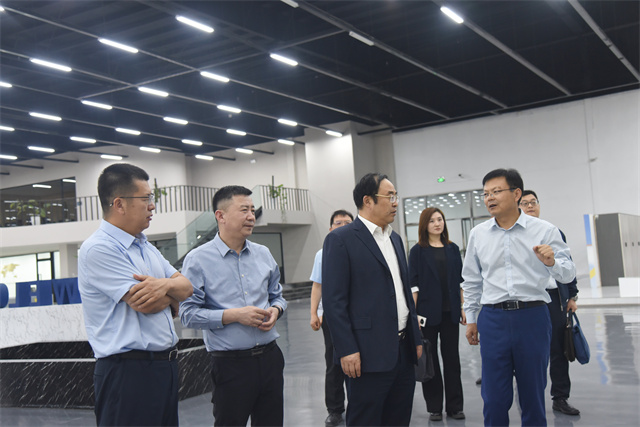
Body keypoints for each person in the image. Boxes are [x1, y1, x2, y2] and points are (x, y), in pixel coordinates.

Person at [78, 163, 193, 426]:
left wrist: (164, 288)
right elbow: (146, 304)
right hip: (127, 373)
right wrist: (171, 293)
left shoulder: (145, 246)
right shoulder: (99, 249)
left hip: (164, 368)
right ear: (119, 204)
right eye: (146, 199)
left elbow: (187, 287)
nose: (152, 206)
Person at [462, 168, 576, 427]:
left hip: (532, 317)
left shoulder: (545, 230)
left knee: (532, 396)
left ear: (516, 194)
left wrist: (552, 262)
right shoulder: (478, 234)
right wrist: (472, 318)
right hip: (493, 319)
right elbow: (471, 280)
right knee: (494, 398)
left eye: (496, 191)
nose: (490, 198)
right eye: (485, 194)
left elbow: (568, 273)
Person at [179, 185, 287, 427]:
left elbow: (278, 297)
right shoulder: (198, 260)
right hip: (230, 365)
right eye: (244, 210)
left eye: (253, 210)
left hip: (270, 359)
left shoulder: (263, 254)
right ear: (221, 215)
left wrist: (276, 310)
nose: (251, 216)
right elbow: (188, 314)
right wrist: (234, 315)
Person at [322, 173, 422, 427]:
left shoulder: (395, 238)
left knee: (399, 419)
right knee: (365, 419)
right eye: (390, 196)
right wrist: (346, 349)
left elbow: (404, 292)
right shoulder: (341, 239)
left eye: (395, 196)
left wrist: (416, 338)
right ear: (368, 200)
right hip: (366, 354)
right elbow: (334, 302)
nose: (395, 202)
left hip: (403, 351)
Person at [520, 190, 580, 416]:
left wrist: (572, 296)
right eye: (525, 203)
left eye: (533, 202)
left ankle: (560, 397)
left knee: (558, 349)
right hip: (529, 300)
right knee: (527, 350)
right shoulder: (516, 236)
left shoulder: (552, 232)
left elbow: (568, 265)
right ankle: (528, 397)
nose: (530, 206)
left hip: (554, 298)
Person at [409, 207, 466, 422]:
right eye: (432, 220)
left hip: (450, 313)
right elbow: (413, 284)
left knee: (452, 360)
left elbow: (460, 281)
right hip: (427, 314)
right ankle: (434, 407)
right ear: (425, 225)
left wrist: (463, 307)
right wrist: (414, 314)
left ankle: (455, 406)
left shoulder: (453, 249)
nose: (437, 223)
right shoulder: (417, 251)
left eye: (440, 219)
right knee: (430, 361)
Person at [310, 209, 354, 427]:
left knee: (360, 361)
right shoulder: (322, 254)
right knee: (334, 362)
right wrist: (313, 313)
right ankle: (335, 409)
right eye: (338, 223)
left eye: (347, 222)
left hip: (359, 315)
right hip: (332, 316)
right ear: (330, 229)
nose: (343, 226)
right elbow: (317, 285)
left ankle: (357, 405)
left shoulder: (361, 249)